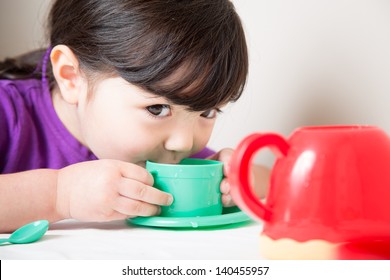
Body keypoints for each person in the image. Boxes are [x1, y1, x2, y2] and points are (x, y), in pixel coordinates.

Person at [0, 0, 269, 233]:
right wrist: (60, 194)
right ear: (72, 78)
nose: (184, 143)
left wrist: (241, 178)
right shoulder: (7, 110)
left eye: (207, 111)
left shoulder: (164, 151)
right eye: (157, 109)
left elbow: (277, 181)